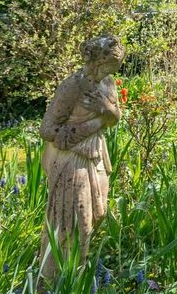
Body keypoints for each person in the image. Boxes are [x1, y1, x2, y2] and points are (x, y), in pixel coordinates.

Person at [38, 35, 124, 279]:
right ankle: (58, 280)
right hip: (71, 159)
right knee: (74, 221)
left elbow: (114, 118)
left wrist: (106, 109)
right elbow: (47, 129)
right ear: (97, 60)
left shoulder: (107, 84)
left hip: (96, 154)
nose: (117, 67)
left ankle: (79, 270)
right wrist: (94, 122)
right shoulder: (72, 87)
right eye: (113, 62)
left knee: (99, 212)